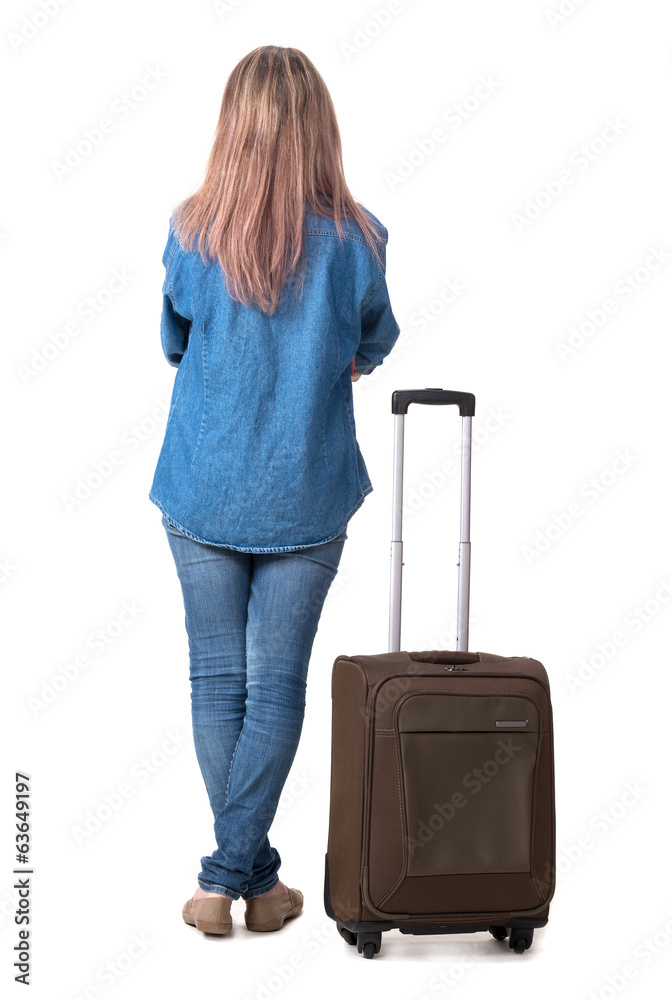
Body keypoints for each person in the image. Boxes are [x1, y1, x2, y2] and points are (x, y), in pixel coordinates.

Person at [148, 45, 400, 936]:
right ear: (320, 130)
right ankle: (244, 880)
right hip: (306, 491)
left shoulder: (192, 229)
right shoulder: (360, 239)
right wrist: (333, 361)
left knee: (218, 682)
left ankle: (231, 884)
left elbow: (175, 338)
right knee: (277, 686)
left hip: (202, 485)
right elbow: (375, 339)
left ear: (234, 126)